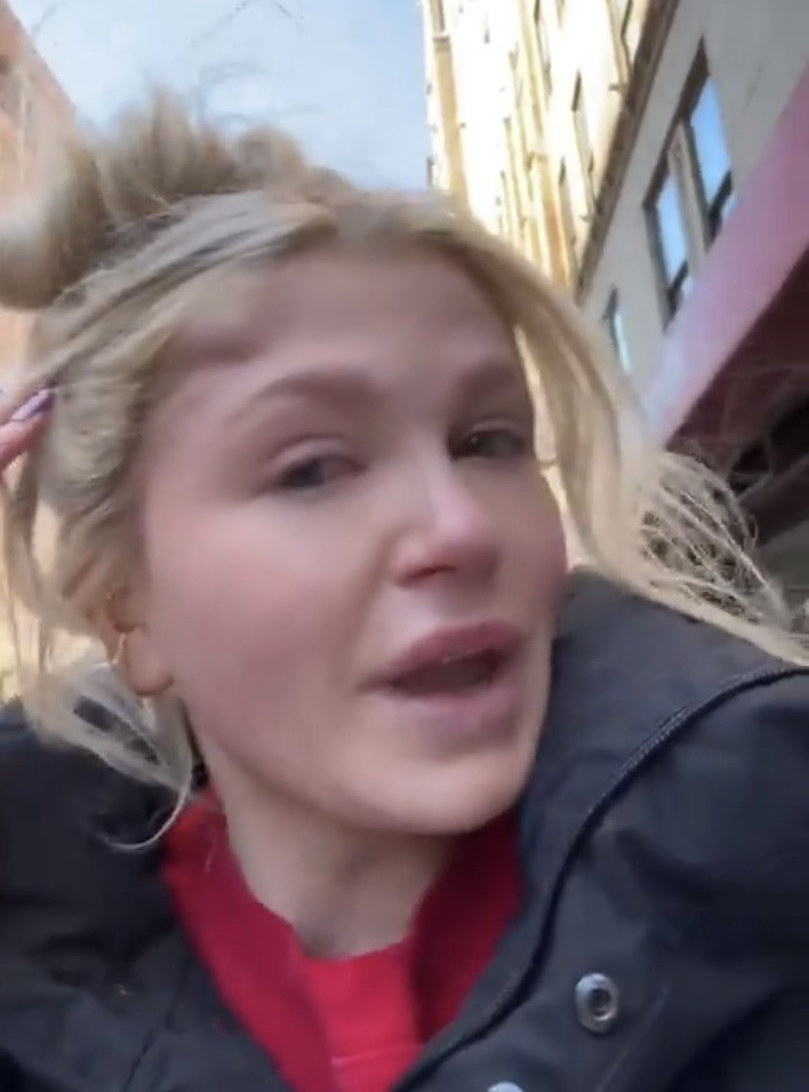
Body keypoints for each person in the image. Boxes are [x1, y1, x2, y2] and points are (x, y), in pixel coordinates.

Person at [0, 93, 808, 1092]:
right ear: (124, 606)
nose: (460, 527)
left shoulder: (763, 879)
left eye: (486, 442)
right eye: (312, 469)